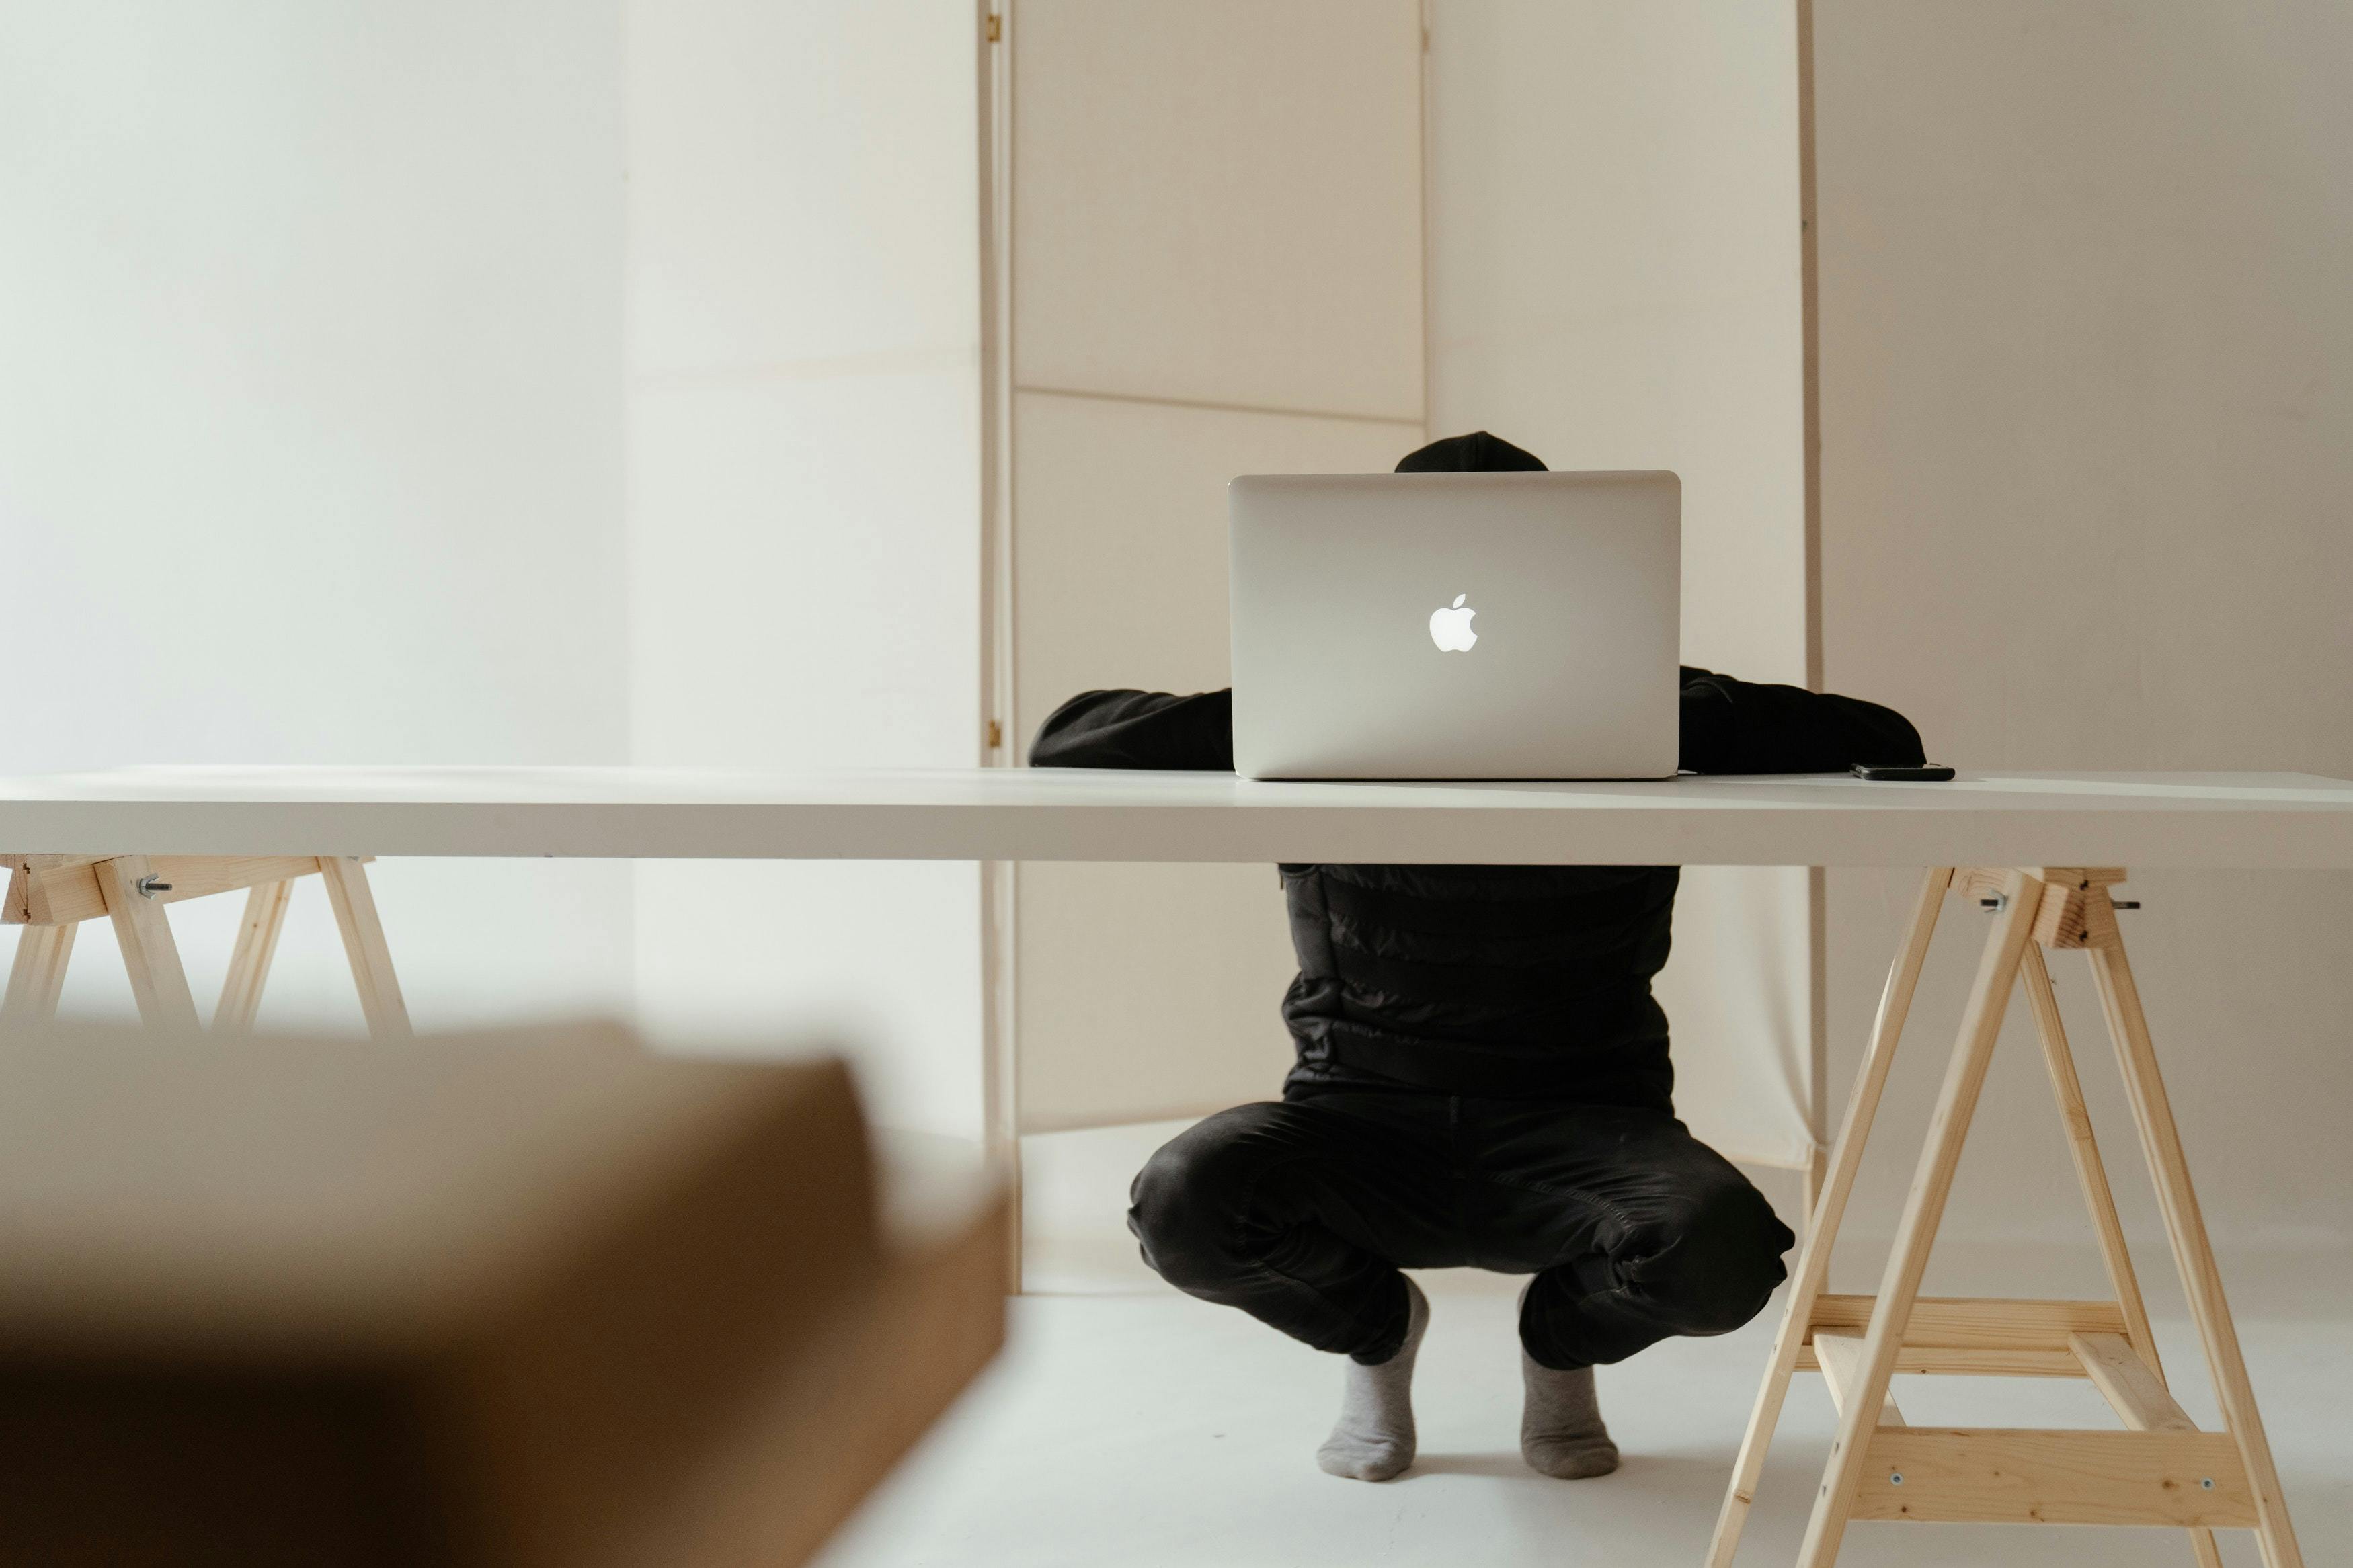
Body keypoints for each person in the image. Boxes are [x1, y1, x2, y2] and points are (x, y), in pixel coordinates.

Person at [1029, 431, 1926, 1484]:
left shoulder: (1646, 707)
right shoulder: (1317, 709)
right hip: (1357, 1116)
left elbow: (1888, 737)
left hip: (1588, 1121)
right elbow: (1067, 739)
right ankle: (1377, 1330)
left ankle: (1557, 1346)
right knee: (1182, 1200)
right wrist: (1294, 696)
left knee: (1724, 1254)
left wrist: (1648, 703)